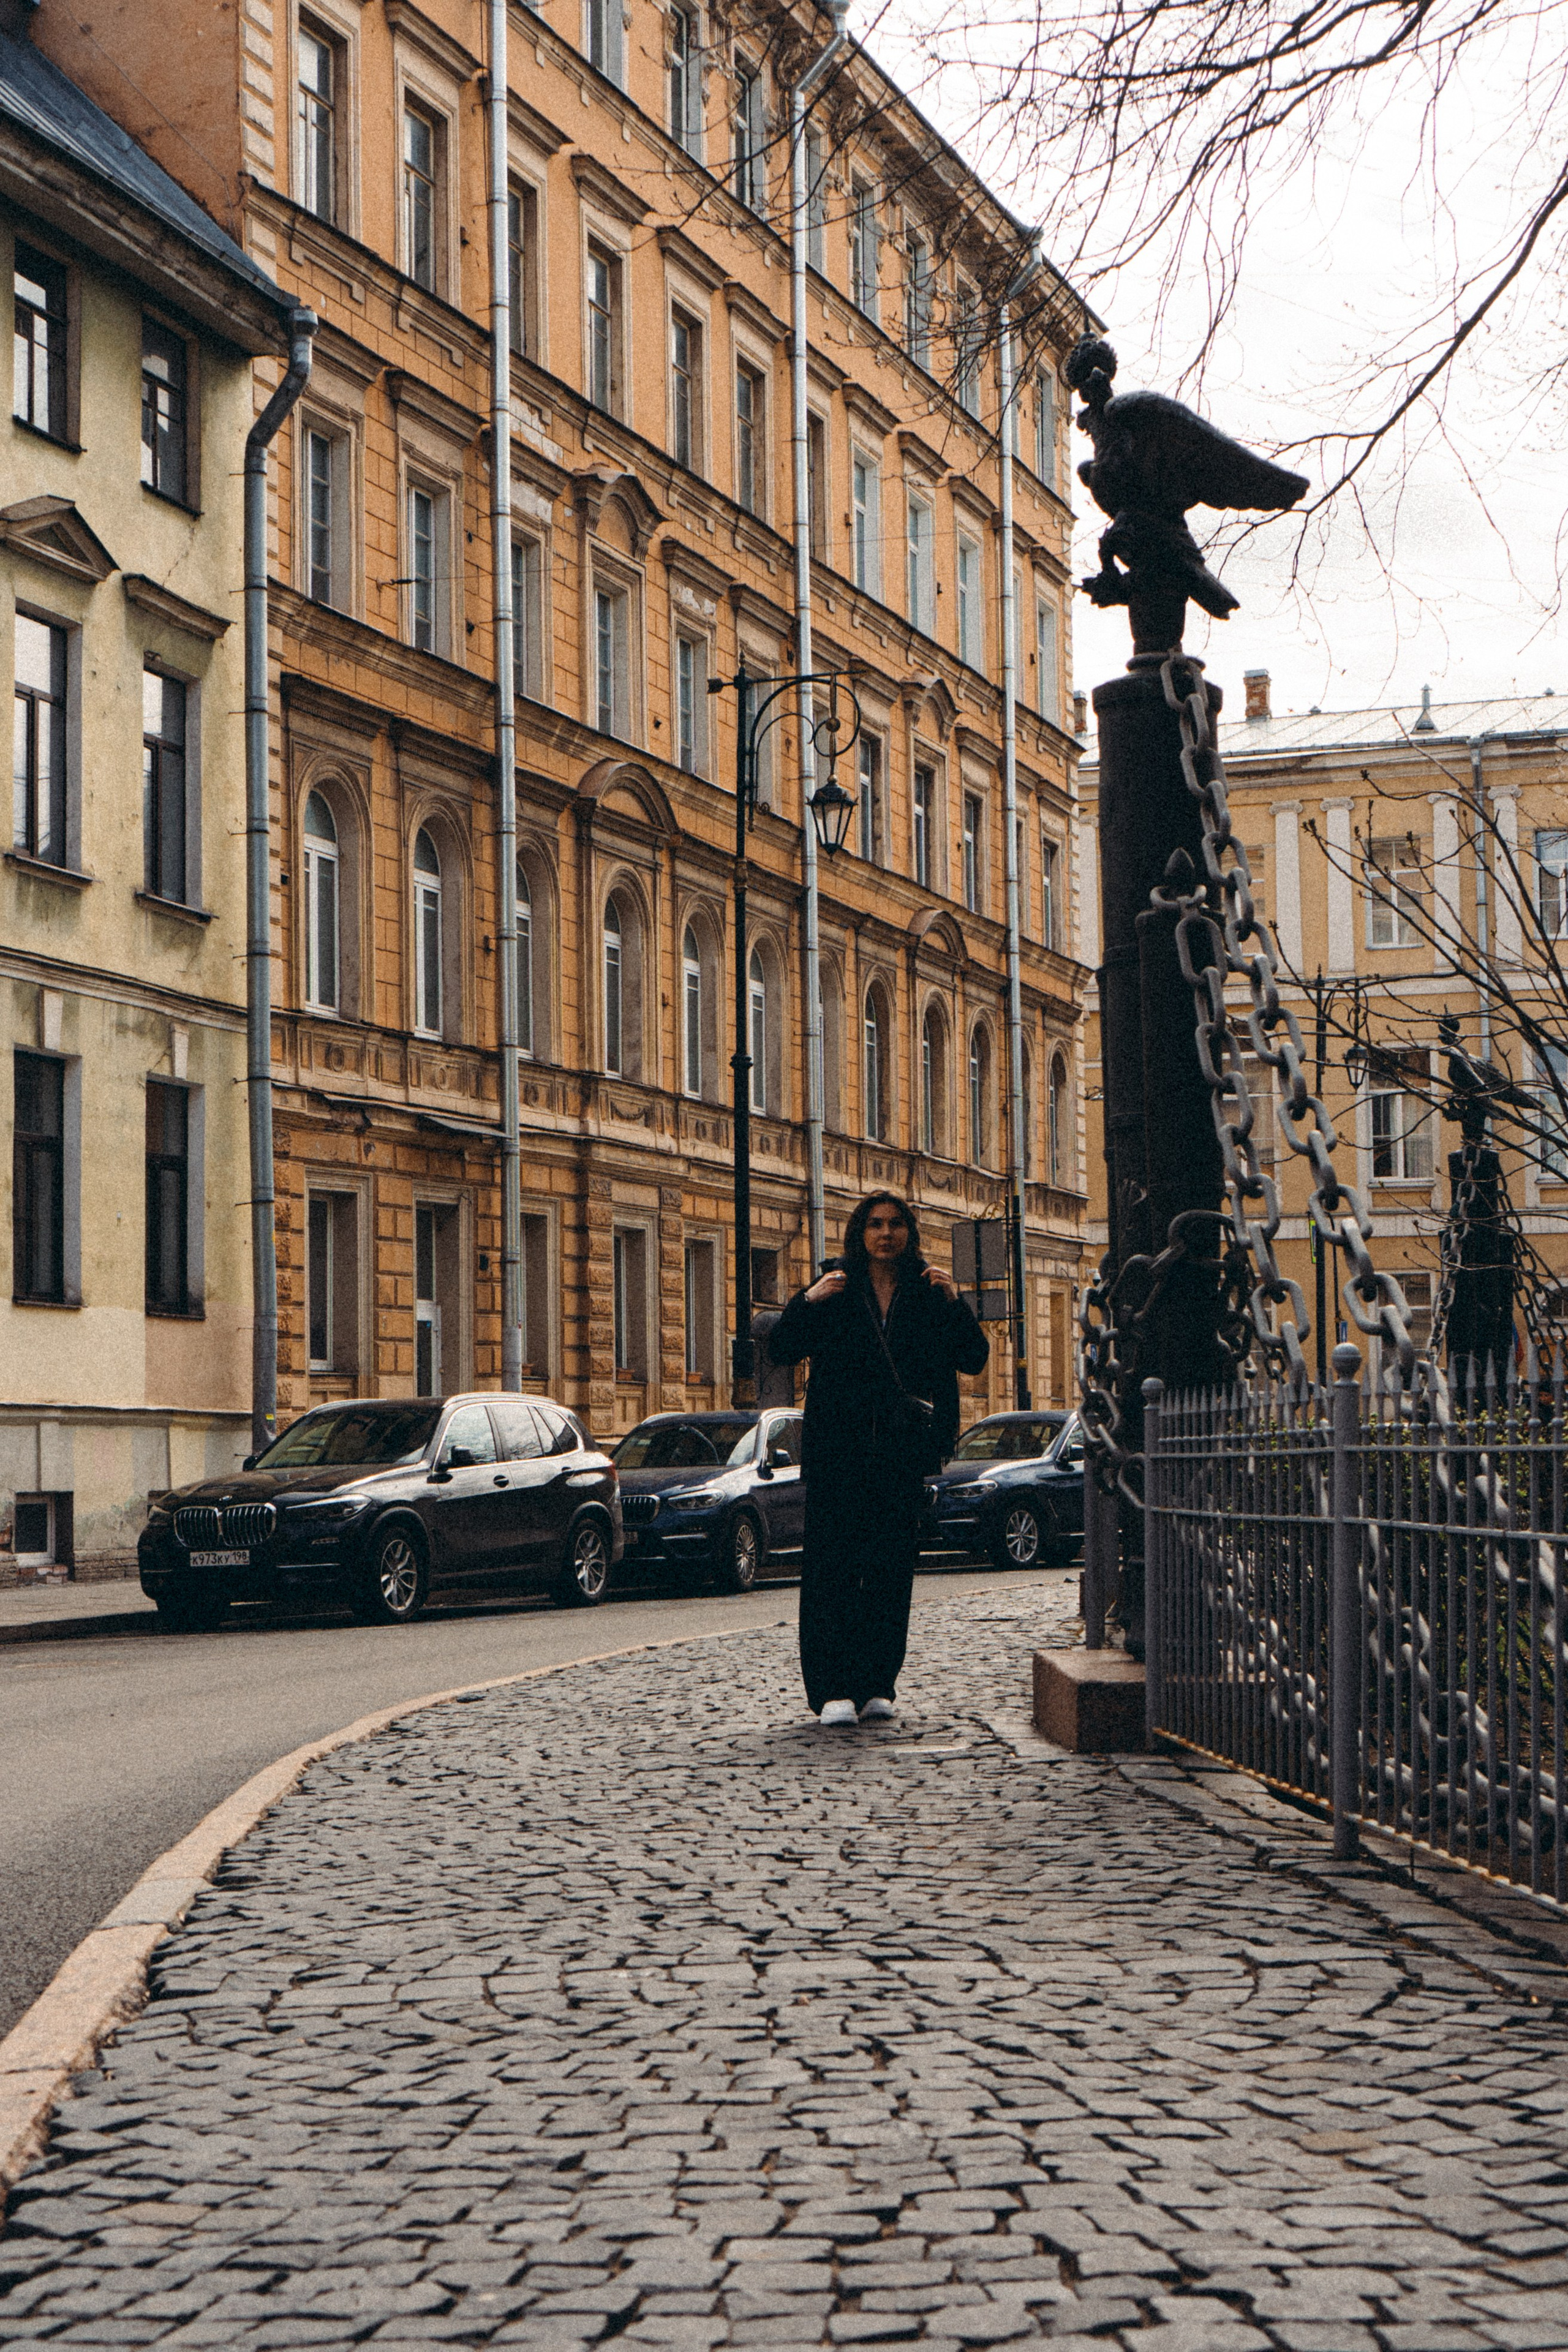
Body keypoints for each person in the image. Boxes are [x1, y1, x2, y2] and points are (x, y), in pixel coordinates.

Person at [768, 1191, 989, 1726]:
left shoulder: (928, 1291)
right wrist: (806, 1299)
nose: (885, 1234)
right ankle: (831, 1690)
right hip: (838, 1452)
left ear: (909, 1232)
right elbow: (778, 1349)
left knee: (890, 1570)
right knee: (832, 1568)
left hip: (900, 1452)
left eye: (894, 1224)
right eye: (874, 1225)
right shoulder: (837, 1290)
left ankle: (877, 1685)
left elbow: (974, 1358)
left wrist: (957, 1301)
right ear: (859, 1233)